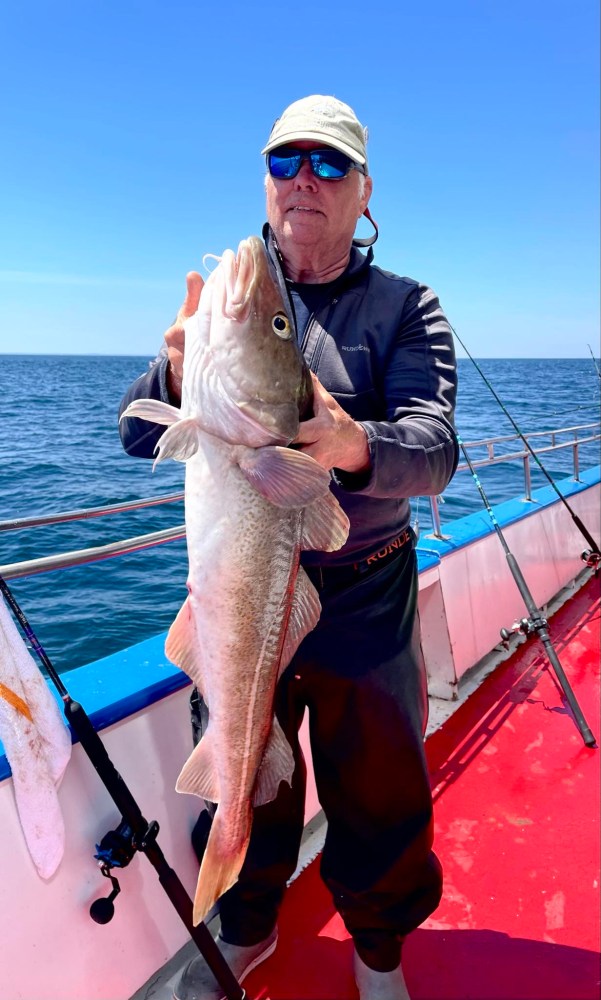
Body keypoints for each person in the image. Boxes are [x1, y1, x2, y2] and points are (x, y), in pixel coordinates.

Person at [119, 95, 458, 1000]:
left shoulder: (405, 308)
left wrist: (353, 446)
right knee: (245, 769)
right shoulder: (231, 302)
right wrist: (175, 371)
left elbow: (436, 450)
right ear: (266, 182)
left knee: (378, 793)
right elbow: (135, 433)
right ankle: (244, 923)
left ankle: (378, 951)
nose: (303, 179)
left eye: (328, 164)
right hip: (237, 593)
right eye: (284, 162)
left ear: (363, 191)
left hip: (363, 599)